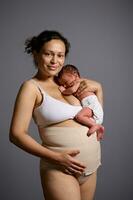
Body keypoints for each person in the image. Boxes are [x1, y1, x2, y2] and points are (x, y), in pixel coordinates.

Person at [9, 30, 104, 200]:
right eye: (48, 54)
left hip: (90, 167)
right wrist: (58, 158)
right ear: (36, 54)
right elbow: (16, 135)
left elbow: (95, 113)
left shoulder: (67, 82)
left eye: (60, 55)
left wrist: (99, 89)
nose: (55, 61)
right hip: (59, 168)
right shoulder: (31, 87)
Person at [57, 64, 104, 141]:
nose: (64, 86)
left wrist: (63, 91)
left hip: (91, 104)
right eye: (62, 84)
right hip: (90, 105)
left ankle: (96, 126)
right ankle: (99, 129)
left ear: (75, 76)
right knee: (84, 118)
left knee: (79, 116)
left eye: (65, 82)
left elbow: (72, 90)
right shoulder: (73, 84)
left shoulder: (78, 81)